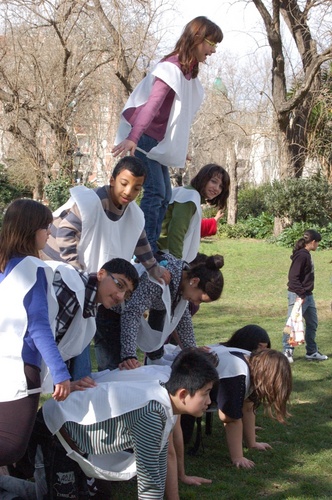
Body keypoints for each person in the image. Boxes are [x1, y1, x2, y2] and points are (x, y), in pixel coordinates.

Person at [41, 156, 169, 379]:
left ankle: (93, 378)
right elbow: (65, 233)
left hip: (92, 287)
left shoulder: (133, 216)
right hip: (59, 278)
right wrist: (75, 272)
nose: (129, 192)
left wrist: (154, 269)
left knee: (89, 330)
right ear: (112, 180)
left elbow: (141, 243)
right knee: (62, 337)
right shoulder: (90, 203)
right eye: (124, 183)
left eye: (137, 188)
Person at [40, 348, 220, 499]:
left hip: (78, 442)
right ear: (182, 394)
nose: (209, 401)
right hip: (57, 429)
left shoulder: (164, 404)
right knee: (61, 493)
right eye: (206, 393)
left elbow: (159, 462)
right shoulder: (152, 414)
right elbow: (148, 481)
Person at [112, 17, 223, 253]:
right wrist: (133, 137)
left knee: (166, 194)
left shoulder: (186, 73)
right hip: (143, 140)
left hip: (156, 144)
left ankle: (148, 245)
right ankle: (144, 248)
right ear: (197, 39)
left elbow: (176, 119)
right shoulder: (170, 68)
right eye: (211, 44)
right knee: (155, 192)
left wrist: (178, 152)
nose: (213, 51)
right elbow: (151, 106)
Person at [0, 199, 71, 467]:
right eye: (46, 228)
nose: (50, 234)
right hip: (21, 366)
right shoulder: (34, 269)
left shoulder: (4, 266)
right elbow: (38, 326)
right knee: (10, 447)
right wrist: (61, 373)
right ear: (31, 230)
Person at [95, 253, 224, 371]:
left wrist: (192, 350)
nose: (196, 303)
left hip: (125, 312)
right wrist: (129, 355)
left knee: (122, 370)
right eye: (200, 299)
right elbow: (132, 313)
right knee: (112, 369)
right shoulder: (161, 280)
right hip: (111, 312)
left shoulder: (183, 280)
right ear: (194, 281)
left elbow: (182, 317)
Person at [212, 347, 292, 469]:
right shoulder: (237, 372)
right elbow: (229, 418)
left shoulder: (253, 363)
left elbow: (248, 407)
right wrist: (238, 457)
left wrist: (252, 443)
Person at [158, 163, 230, 262]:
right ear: (203, 178)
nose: (217, 188)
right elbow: (177, 231)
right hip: (161, 254)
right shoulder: (190, 195)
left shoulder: (188, 193)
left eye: (221, 186)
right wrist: (176, 263)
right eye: (213, 181)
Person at [282, 229, 328, 363]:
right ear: (313, 242)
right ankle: (287, 351)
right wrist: (301, 294)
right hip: (298, 295)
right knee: (292, 323)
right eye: (318, 243)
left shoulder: (306, 254)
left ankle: (312, 351)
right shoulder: (302, 256)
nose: (318, 245)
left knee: (312, 323)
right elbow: (293, 277)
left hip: (308, 295)